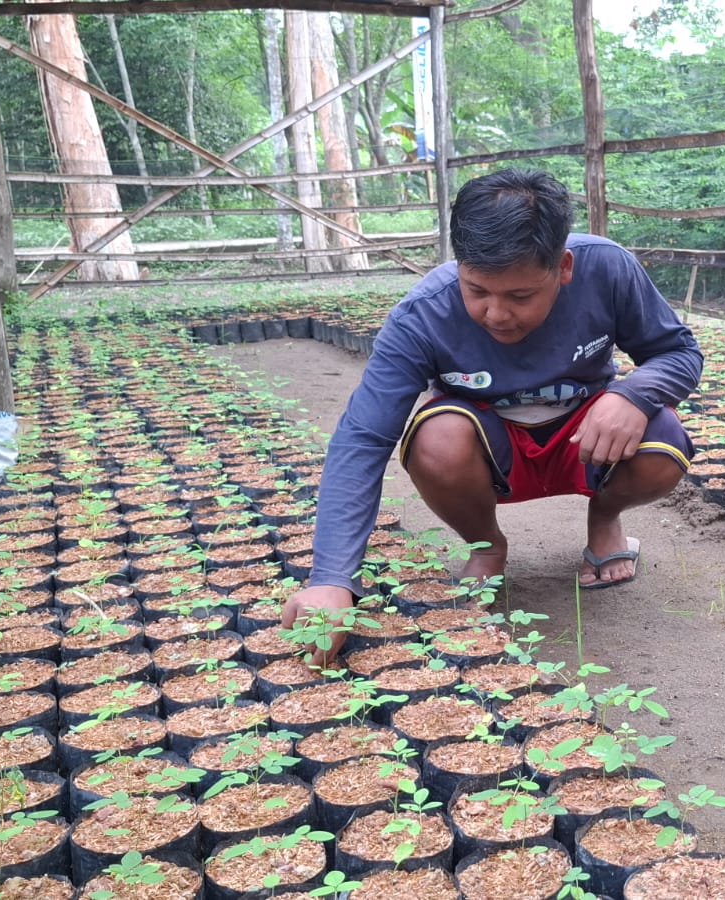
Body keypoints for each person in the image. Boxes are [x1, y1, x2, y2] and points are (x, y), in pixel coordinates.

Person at [281, 168, 703, 656]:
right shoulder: (423, 315)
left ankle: (605, 517)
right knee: (436, 436)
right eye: (477, 290)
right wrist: (332, 578)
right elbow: (363, 438)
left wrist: (633, 394)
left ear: (563, 267)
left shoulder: (607, 269)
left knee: (661, 439)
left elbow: (679, 352)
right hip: (491, 447)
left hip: (583, 436)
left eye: (520, 296)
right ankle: (485, 543)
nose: (497, 314)